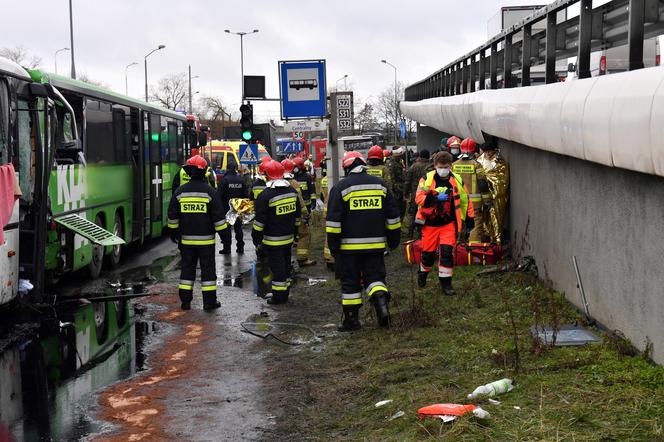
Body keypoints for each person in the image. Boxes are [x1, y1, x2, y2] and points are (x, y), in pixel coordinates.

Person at [326, 151, 401, 331]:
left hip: (349, 248)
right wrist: (393, 240)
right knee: (375, 279)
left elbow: (333, 223)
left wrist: (334, 247)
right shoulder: (380, 185)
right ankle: (382, 308)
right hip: (375, 246)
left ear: (347, 167)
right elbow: (393, 216)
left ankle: (352, 321)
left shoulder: (341, 188)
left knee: (350, 282)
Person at [168, 155, 230, 311]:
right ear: (204, 172)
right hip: (206, 242)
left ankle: (186, 302)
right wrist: (226, 238)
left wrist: (173, 233)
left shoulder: (179, 192)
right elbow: (219, 219)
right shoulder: (210, 192)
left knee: (187, 270)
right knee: (208, 272)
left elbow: (172, 216)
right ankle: (209, 303)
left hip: (186, 242)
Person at [415, 151, 468, 296]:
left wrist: (468, 218)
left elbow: (464, 200)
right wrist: (435, 197)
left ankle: (446, 283)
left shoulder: (456, 179)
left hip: (448, 223)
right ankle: (423, 273)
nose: (443, 169)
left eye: (446, 167)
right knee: (428, 255)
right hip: (430, 224)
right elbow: (418, 198)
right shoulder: (426, 179)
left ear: (450, 166)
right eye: (440, 167)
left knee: (446, 253)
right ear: (435, 166)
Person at [252, 160, 302, 305]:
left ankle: (279, 297)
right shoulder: (292, 191)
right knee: (286, 266)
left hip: (272, 240)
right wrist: (296, 233)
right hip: (288, 237)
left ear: (267, 176)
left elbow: (259, 222)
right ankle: (284, 292)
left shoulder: (265, 195)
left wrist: (256, 239)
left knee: (277, 268)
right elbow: (297, 216)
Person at [452, 138, 491, 243]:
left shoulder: (454, 165)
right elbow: (483, 184)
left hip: (458, 202)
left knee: (459, 224)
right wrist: (487, 200)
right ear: (474, 150)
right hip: (475, 203)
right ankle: (473, 250)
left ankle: (458, 247)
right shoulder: (476, 164)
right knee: (477, 225)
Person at [477, 140, 510, 244]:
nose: (487, 154)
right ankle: (487, 238)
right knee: (484, 217)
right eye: (485, 152)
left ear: (494, 151)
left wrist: (489, 180)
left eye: (489, 152)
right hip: (483, 194)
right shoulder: (480, 160)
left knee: (496, 216)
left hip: (496, 195)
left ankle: (497, 240)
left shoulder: (499, 162)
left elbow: (503, 179)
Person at [217, 161, 248, 254]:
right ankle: (240, 247)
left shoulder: (224, 180)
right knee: (238, 228)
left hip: (227, 208)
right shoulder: (241, 180)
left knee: (226, 229)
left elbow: (219, 195)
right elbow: (245, 195)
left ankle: (227, 248)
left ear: (227, 168)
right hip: (237, 208)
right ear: (235, 168)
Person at [404, 149, 433, 238]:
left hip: (414, 194)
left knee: (412, 213)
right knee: (424, 213)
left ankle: (410, 232)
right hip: (426, 194)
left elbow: (407, 181)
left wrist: (405, 192)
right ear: (429, 156)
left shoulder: (413, 166)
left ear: (420, 156)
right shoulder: (431, 167)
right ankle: (421, 233)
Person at [293, 157, 316, 267]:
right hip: (297, 209)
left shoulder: (307, 177)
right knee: (304, 233)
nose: (295, 169)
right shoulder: (292, 178)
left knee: (302, 229)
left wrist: (313, 201)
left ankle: (300, 252)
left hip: (304, 208)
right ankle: (302, 258)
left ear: (301, 167)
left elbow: (312, 190)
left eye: (296, 167)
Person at [319, 166, 335, 270]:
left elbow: (321, 196)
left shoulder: (324, 180)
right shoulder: (341, 179)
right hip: (335, 209)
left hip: (326, 209)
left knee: (328, 234)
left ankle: (328, 258)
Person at [387, 147, 406, 220]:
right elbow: (393, 179)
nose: (402, 155)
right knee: (399, 209)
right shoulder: (393, 164)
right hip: (397, 191)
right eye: (400, 154)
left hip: (398, 189)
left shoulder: (398, 162)